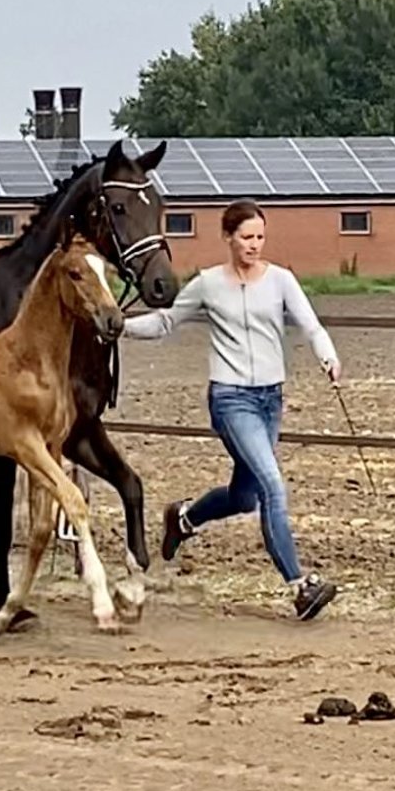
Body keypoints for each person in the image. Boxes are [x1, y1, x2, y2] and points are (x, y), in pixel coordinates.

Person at [122, 199, 340, 620]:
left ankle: (184, 518)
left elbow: (311, 324)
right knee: (273, 486)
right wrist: (120, 327)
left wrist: (327, 355)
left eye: (260, 237)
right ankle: (300, 586)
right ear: (228, 238)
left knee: (246, 497)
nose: (254, 245)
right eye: (246, 237)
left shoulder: (280, 280)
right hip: (230, 399)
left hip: (269, 398)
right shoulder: (208, 284)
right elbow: (166, 322)